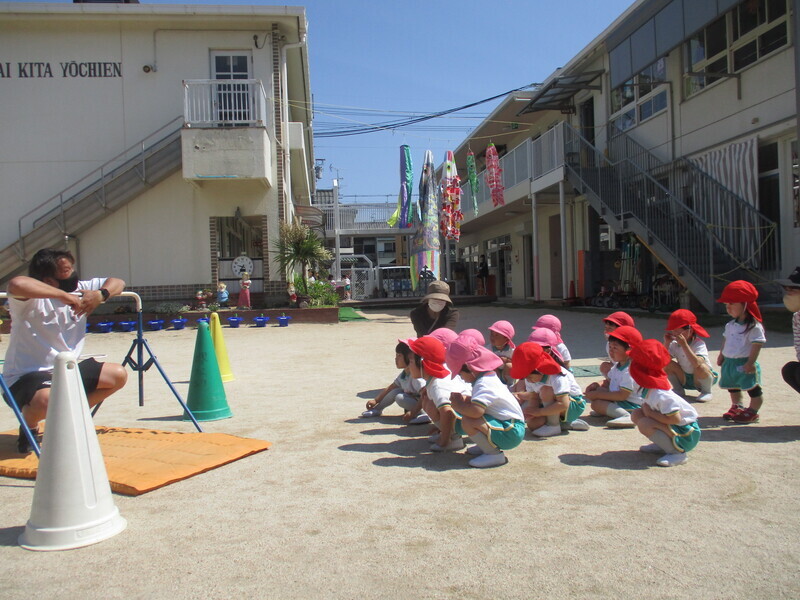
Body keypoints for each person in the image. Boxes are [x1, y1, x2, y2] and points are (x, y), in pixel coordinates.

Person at [2, 248, 128, 453]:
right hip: (25, 377)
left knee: (117, 375)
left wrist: (101, 294)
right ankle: (29, 425)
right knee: (48, 400)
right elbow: (16, 283)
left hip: (66, 369)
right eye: (67, 271)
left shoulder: (82, 289)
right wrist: (63, 296)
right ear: (49, 280)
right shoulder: (29, 299)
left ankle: (68, 419)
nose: (73, 274)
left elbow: (118, 282)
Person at [444, 334, 526, 468]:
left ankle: (494, 454)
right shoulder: (486, 377)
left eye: (460, 373)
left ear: (469, 368)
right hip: (508, 426)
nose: (461, 377)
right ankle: (486, 444)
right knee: (469, 415)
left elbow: (476, 412)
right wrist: (465, 400)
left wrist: (458, 405)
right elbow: (484, 404)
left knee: (468, 420)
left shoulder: (484, 383)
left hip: (511, 431)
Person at [629, 339, 700, 467]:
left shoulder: (660, 394)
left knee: (645, 423)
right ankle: (663, 444)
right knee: (637, 414)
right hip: (674, 427)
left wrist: (650, 414)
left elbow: (675, 418)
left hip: (686, 433)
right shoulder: (647, 387)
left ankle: (677, 453)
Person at [511, 342, 589, 437]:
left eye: (530, 377)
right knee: (533, 424)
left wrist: (540, 412)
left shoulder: (556, 376)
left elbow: (563, 403)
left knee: (546, 390)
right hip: (552, 405)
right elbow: (534, 397)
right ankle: (565, 424)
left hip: (573, 405)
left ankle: (553, 425)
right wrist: (531, 413)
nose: (529, 381)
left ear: (538, 369)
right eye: (526, 378)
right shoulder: (530, 378)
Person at [716, 280, 766, 423]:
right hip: (729, 362)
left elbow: (757, 345)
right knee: (732, 386)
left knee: (752, 387)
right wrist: (721, 354)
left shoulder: (754, 327)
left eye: (732, 303)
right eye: (726, 304)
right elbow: (726, 340)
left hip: (744, 362)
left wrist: (751, 362)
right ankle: (737, 405)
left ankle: (753, 411)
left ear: (745, 304)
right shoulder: (730, 325)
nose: (728, 307)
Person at [584, 325, 643, 428]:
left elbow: (622, 395)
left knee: (597, 403)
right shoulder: (618, 366)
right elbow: (609, 381)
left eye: (615, 348)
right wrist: (596, 385)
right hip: (622, 400)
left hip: (633, 405)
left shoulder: (629, 370)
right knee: (599, 392)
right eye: (610, 347)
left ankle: (626, 416)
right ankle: (609, 411)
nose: (611, 351)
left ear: (629, 349)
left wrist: (597, 395)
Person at [360, 341, 425, 419]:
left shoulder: (416, 377)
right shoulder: (404, 374)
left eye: (399, 355)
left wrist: (413, 412)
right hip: (415, 402)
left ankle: (423, 414)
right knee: (395, 391)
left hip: (425, 406)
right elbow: (391, 388)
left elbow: (425, 395)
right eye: (396, 355)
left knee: (400, 397)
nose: (396, 359)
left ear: (409, 358)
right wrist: (376, 400)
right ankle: (377, 409)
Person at [663, 309, 716, 402]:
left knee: (701, 366)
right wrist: (666, 343)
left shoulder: (699, 344)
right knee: (666, 362)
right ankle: (678, 389)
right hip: (684, 377)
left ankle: (706, 392)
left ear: (690, 331)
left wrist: (684, 345)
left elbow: (697, 363)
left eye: (678, 332)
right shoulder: (674, 344)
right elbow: (661, 361)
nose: (675, 334)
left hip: (701, 378)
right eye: (673, 331)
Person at [777, 267, 800, 394]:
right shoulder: (797, 317)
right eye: (787, 290)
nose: (788, 293)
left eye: (793, 289)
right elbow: (799, 345)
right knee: (790, 370)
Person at [599, 311, 636, 379]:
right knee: (604, 366)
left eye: (610, 329)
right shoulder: (609, 345)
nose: (606, 331)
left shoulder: (629, 347)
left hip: (631, 375)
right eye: (605, 328)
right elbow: (613, 362)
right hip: (620, 370)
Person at [487, 320, 515, 385]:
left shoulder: (512, 350)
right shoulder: (488, 349)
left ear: (506, 339)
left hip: (506, 374)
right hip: (495, 375)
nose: (492, 337)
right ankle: (494, 384)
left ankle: (510, 385)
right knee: (491, 367)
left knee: (509, 366)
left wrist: (507, 360)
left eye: (496, 335)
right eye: (491, 334)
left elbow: (517, 364)